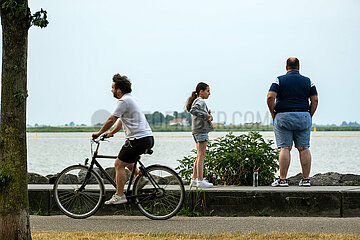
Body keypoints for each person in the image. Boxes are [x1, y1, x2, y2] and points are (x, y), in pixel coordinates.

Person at [92, 73, 154, 204]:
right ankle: (140, 178)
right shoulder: (131, 99)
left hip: (137, 139)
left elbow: (112, 119)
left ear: (119, 90)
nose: (111, 90)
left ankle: (120, 195)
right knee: (128, 160)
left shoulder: (123, 101)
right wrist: (111, 132)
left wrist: (99, 132)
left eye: (113, 87)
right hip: (146, 138)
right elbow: (121, 120)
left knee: (118, 164)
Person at [267, 58, 318, 187]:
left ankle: (283, 180)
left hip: (283, 116)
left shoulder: (278, 80)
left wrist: (273, 112)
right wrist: (309, 115)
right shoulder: (308, 81)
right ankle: (306, 179)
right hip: (303, 115)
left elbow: (270, 97)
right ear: (299, 67)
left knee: (285, 148)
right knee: (304, 148)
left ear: (286, 67)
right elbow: (315, 100)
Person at [186, 82, 214, 188]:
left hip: (197, 130)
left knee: (199, 155)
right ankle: (200, 180)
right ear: (201, 91)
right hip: (201, 130)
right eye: (208, 91)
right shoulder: (200, 101)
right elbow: (193, 110)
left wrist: (208, 116)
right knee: (201, 155)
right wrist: (206, 115)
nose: (209, 93)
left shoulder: (198, 100)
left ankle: (194, 179)